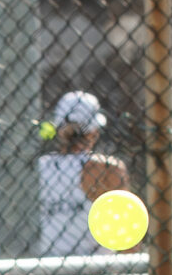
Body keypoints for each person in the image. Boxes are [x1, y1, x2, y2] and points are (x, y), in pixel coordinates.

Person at [34, 91, 129, 257]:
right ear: (94, 131)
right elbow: (126, 233)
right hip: (99, 266)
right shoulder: (106, 168)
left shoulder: (40, 166)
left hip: (49, 266)